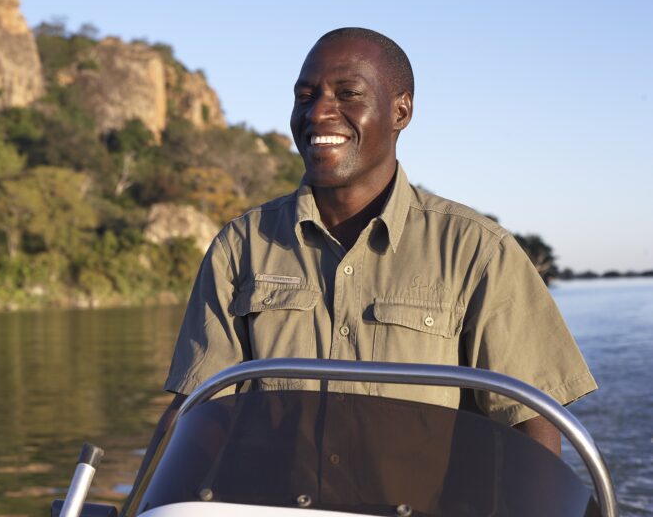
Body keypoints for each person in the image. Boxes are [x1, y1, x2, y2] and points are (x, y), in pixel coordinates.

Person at [136, 28, 596, 484]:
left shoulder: (478, 252)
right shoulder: (241, 247)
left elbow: (531, 423)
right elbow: (198, 411)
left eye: (347, 94)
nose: (318, 112)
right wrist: (144, 507)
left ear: (401, 110)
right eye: (305, 95)